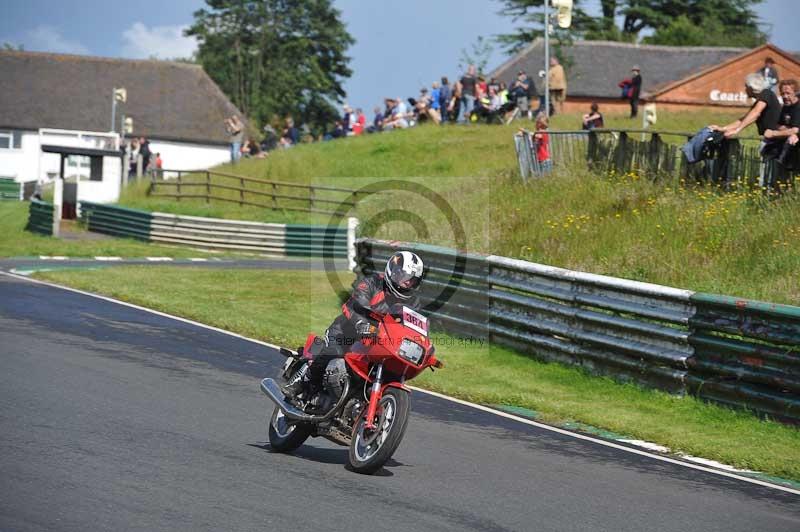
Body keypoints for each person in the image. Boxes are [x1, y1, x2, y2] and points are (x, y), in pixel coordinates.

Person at [282, 251, 425, 400]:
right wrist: (361, 323)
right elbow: (353, 305)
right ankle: (302, 380)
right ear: (393, 271)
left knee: (392, 373)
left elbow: (413, 328)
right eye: (404, 276)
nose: (407, 282)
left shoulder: (413, 303)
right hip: (346, 332)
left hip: (379, 343)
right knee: (334, 351)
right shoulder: (372, 283)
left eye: (412, 280)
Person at [712, 73, 782, 187]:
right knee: (766, 168)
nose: (745, 89)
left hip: (775, 140)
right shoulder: (760, 99)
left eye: (746, 87)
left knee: (770, 169)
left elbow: (755, 114)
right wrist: (723, 128)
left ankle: (769, 192)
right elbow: (744, 119)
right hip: (770, 139)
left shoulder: (766, 94)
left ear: (751, 87)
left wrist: (738, 130)